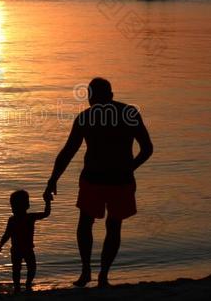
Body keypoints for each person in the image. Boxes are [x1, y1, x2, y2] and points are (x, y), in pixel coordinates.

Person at [44, 77, 153, 288]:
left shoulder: (86, 117)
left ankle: (88, 273)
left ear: (90, 98)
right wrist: (130, 167)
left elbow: (68, 151)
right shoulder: (127, 113)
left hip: (99, 179)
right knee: (112, 226)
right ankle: (101, 275)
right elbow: (147, 149)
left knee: (88, 224)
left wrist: (53, 180)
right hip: (115, 180)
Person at [0, 189, 52, 293]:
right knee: (19, 269)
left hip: (26, 249)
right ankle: (19, 286)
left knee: (28, 268)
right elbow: (7, 234)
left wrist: (48, 202)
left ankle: (26, 284)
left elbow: (46, 213)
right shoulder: (15, 219)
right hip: (19, 249)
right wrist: (1, 243)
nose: (13, 208)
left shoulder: (29, 217)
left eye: (13, 206)